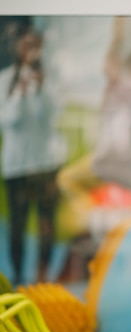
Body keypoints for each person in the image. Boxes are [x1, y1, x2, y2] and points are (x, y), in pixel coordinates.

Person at [56, 16, 131, 238]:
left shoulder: (127, 90)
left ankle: (94, 217)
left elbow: (123, 139)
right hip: (128, 165)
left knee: (66, 179)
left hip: (112, 162)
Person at [0, 25, 66, 285]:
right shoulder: (5, 80)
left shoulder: (51, 79)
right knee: (18, 226)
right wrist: (20, 92)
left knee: (46, 223)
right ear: (17, 48)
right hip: (16, 164)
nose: (30, 51)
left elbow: (51, 117)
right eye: (25, 45)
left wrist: (39, 89)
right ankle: (17, 277)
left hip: (45, 162)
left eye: (34, 45)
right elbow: (8, 121)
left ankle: (44, 277)